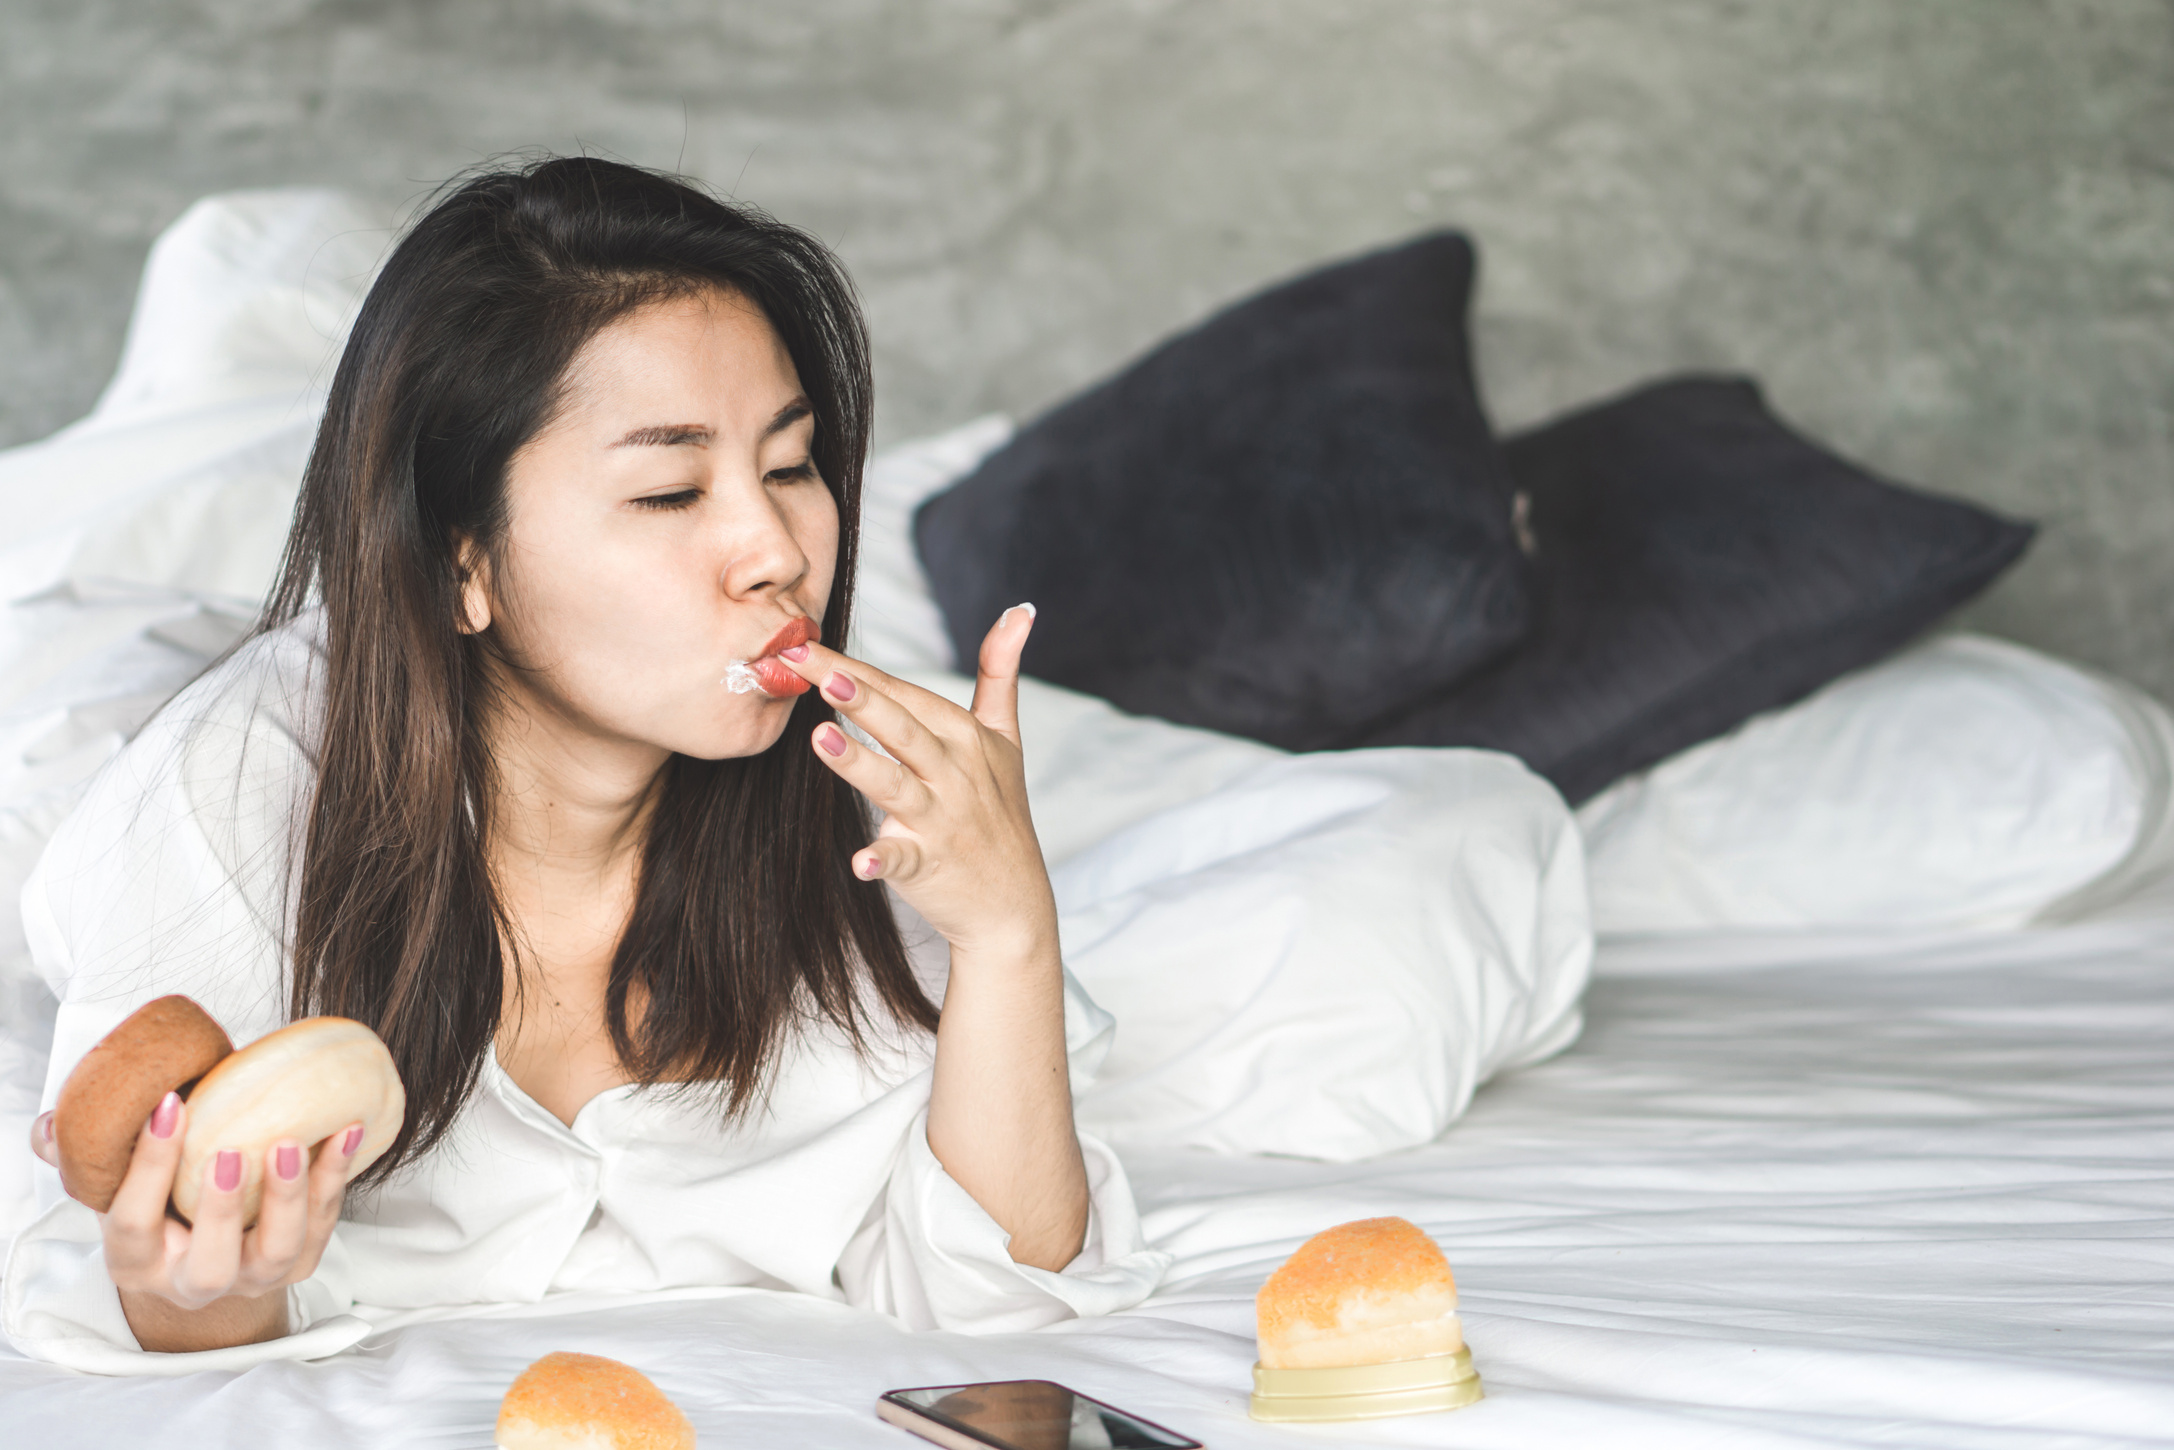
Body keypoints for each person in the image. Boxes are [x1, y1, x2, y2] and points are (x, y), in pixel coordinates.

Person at [4, 157, 1166, 1373]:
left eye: (789, 465)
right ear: (463, 562)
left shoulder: (855, 802)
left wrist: (1008, 929)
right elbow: (167, 1311)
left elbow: (1010, 1305)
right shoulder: (230, 797)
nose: (774, 551)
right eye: (669, 491)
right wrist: (205, 1291)